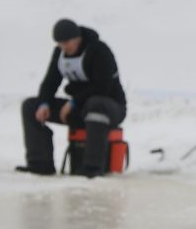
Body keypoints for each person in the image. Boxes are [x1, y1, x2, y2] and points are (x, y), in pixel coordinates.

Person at [20, 18, 126, 176]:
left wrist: (74, 102)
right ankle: (40, 164)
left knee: (95, 104)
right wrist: (44, 104)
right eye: (60, 43)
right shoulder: (60, 54)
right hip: (79, 109)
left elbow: (102, 87)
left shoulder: (99, 50)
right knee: (30, 106)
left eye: (67, 42)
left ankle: (92, 167)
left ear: (78, 38)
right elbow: (50, 82)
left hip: (111, 108)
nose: (65, 47)